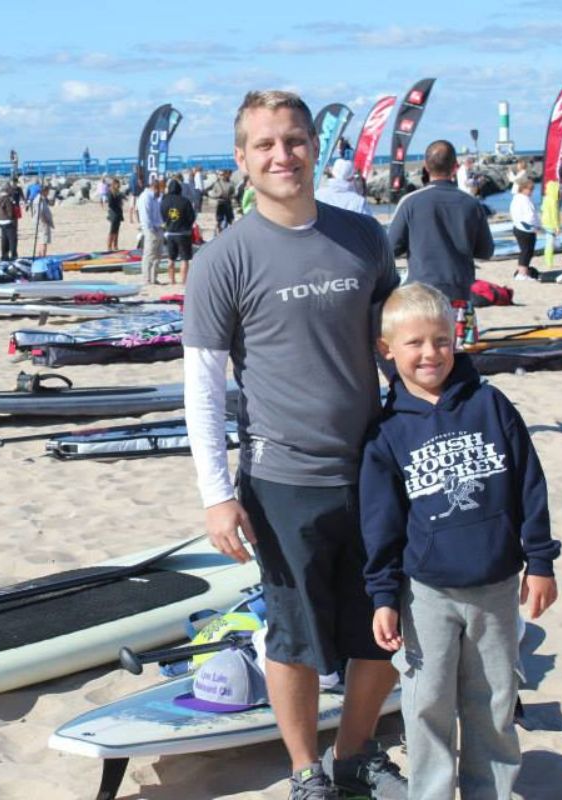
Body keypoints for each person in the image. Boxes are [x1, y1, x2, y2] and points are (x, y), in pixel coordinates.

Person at [183, 89, 405, 800]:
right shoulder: (222, 259)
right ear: (243, 160)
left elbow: (394, 351)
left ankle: (355, 755)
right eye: (266, 144)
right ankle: (306, 770)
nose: (283, 155)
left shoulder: (362, 236)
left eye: (296, 140)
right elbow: (204, 387)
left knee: (383, 627)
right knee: (295, 635)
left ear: (315, 147)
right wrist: (217, 495)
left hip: (373, 471)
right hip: (283, 482)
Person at [360, 281, 560, 800]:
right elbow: (380, 526)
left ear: (457, 339)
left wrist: (540, 562)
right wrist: (383, 597)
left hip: (496, 587)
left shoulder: (492, 406)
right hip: (426, 595)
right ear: (387, 350)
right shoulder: (386, 434)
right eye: (415, 343)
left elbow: (529, 487)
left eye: (442, 341)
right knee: (426, 706)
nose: (431, 353)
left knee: (493, 702)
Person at [387, 140, 494, 348]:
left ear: (426, 167)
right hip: (459, 295)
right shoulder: (470, 204)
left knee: (424, 359)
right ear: (455, 166)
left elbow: (391, 248)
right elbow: (486, 251)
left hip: (421, 295)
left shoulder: (411, 202)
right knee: (460, 359)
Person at [160, 177, 195, 284]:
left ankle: (172, 280)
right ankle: (183, 281)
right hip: (183, 233)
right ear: (180, 189)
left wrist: (167, 224)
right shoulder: (185, 201)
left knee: (171, 258)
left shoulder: (164, 201)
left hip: (170, 232)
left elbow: (162, 215)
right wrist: (188, 226)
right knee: (185, 259)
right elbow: (191, 217)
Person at [510, 178, 539, 280]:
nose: (531, 191)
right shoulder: (524, 199)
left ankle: (522, 272)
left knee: (526, 251)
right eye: (530, 189)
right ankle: (522, 274)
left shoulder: (517, 198)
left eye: (532, 189)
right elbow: (530, 216)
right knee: (526, 251)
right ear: (523, 189)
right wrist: (534, 227)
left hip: (520, 227)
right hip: (525, 229)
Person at [136, 178, 163, 284]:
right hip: (151, 230)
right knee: (149, 254)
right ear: (155, 188)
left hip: (159, 228)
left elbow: (158, 214)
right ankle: (147, 278)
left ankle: (154, 278)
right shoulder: (145, 197)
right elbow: (145, 217)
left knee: (158, 255)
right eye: (160, 189)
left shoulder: (155, 198)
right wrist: (152, 229)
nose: (161, 192)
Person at [0, 182, 19, 261]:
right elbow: (10, 212)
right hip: (8, 221)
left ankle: (4, 255)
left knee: (4, 239)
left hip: (1, 221)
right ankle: (13, 255)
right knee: (12, 239)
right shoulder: (7, 199)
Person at [33, 190, 54, 258]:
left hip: (41, 223)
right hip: (43, 223)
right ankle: (42, 256)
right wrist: (45, 220)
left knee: (42, 240)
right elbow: (40, 212)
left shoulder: (41, 199)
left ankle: (41, 255)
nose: (48, 193)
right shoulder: (39, 200)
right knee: (44, 240)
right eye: (47, 191)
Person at [106, 178, 125, 251]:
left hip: (118, 213)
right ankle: (109, 246)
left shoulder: (118, 192)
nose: (119, 185)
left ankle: (115, 245)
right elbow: (110, 204)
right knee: (112, 230)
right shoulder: (110, 192)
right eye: (117, 184)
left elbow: (121, 199)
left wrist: (120, 203)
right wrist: (117, 205)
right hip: (114, 213)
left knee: (117, 230)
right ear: (114, 184)